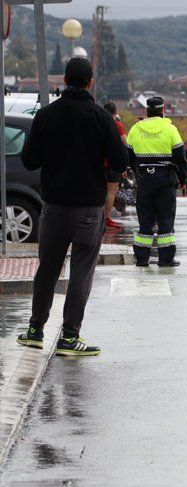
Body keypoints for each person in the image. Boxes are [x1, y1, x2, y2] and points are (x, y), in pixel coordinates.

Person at [16, 58, 128, 356]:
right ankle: (69, 337)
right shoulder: (101, 118)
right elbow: (120, 162)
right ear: (90, 82)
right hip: (88, 209)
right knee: (81, 270)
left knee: (48, 269)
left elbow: (29, 160)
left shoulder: (46, 116)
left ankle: (35, 330)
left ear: (65, 80)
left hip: (53, 206)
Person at [126, 97, 187, 268]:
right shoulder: (170, 129)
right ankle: (166, 258)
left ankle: (142, 258)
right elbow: (180, 157)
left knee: (144, 219)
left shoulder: (135, 129)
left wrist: (137, 171)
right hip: (165, 180)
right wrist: (181, 179)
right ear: (162, 110)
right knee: (165, 219)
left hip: (144, 179)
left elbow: (128, 155)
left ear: (147, 111)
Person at [103, 101, 127, 228]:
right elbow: (125, 143)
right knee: (111, 191)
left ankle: (99, 217)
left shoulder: (99, 123)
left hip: (99, 162)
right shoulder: (117, 125)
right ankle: (107, 218)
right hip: (113, 162)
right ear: (115, 112)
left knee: (102, 189)